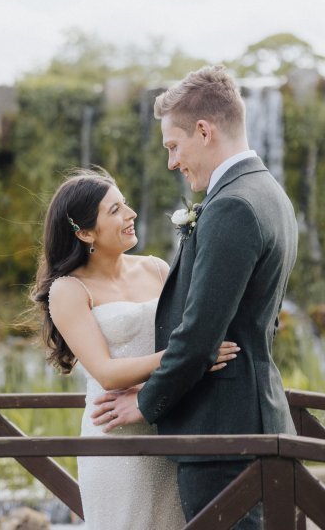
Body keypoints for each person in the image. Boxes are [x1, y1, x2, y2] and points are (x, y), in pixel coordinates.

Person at [92, 66, 298, 529]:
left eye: (173, 146)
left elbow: (201, 334)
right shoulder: (269, 193)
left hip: (223, 436)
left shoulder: (232, 206)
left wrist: (145, 403)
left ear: (203, 131)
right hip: (254, 422)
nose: (171, 162)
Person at [31, 168, 240, 530]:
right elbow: (107, 373)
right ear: (84, 233)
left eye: (125, 204)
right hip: (115, 439)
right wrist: (190, 355)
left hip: (167, 423)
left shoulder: (157, 269)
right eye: (114, 211)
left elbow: (195, 331)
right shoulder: (68, 290)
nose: (131, 215)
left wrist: (192, 359)